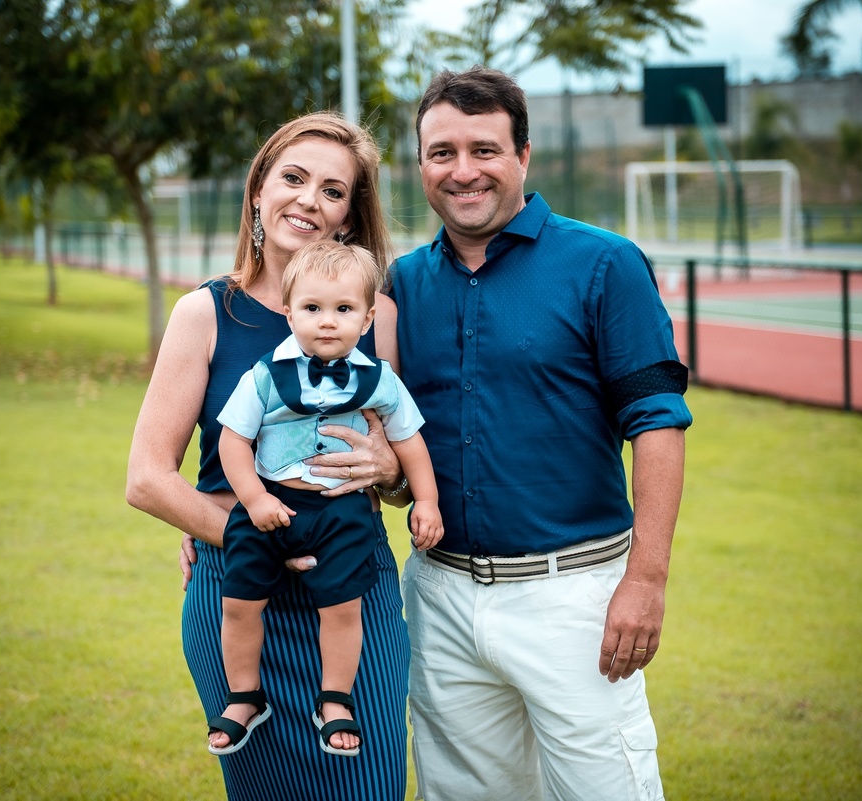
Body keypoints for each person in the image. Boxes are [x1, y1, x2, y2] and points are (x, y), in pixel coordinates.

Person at [387, 67, 692, 801]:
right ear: (421, 165)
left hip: (574, 598)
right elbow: (387, 448)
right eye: (442, 152)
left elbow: (658, 420)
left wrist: (645, 579)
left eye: (484, 149)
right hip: (441, 596)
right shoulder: (399, 285)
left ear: (524, 155)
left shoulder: (605, 263)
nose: (464, 171)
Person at [127, 112, 410, 801]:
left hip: (352, 575)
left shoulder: (380, 317)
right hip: (241, 584)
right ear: (258, 190)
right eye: (293, 178)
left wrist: (389, 469)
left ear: (349, 216)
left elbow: (396, 469)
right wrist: (240, 529)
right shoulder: (206, 313)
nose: (310, 200)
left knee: (368, 782)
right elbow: (147, 478)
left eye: (334, 191)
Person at [208, 240, 442, 758]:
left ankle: (334, 699)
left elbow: (409, 443)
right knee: (241, 600)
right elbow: (233, 441)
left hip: (342, 510)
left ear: (368, 317)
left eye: (344, 309)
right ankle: (244, 696)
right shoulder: (266, 376)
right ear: (289, 312)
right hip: (270, 502)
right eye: (313, 308)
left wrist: (425, 501)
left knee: (342, 606)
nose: (328, 321)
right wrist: (253, 500)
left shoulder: (380, 381)